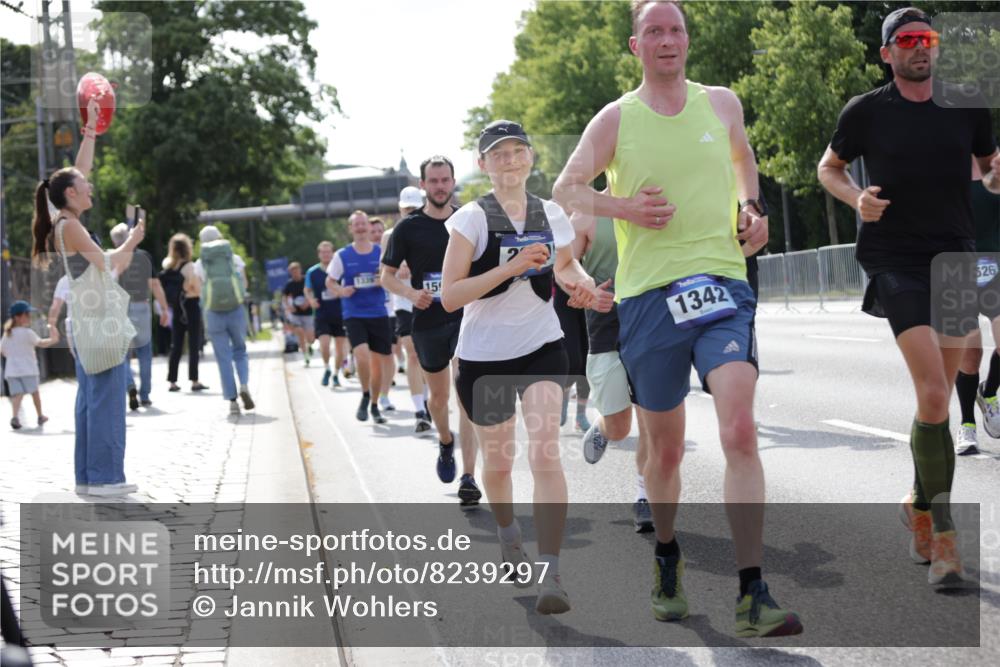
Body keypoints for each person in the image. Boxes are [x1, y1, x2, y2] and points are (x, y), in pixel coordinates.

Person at [553, 0, 799, 636]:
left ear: (687, 40)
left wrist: (752, 207)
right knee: (663, 452)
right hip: (647, 299)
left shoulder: (721, 103)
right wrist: (626, 207)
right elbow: (567, 188)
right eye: (654, 31)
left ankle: (753, 590)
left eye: (677, 30)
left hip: (721, 282)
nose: (668, 40)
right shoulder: (616, 119)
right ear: (636, 47)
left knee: (739, 428)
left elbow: (744, 159)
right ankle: (667, 556)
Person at [817, 6, 999, 587]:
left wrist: (995, 176)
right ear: (887, 53)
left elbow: (989, 165)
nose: (921, 47)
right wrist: (856, 201)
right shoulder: (866, 112)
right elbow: (829, 168)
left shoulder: (967, 104)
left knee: (939, 399)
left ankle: (917, 499)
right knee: (929, 389)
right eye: (908, 40)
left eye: (928, 38)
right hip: (894, 258)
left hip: (953, 254)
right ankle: (944, 538)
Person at [442, 120, 611, 614]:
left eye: (518, 151)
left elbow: (565, 265)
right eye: (499, 154)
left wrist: (581, 285)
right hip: (485, 357)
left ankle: (552, 572)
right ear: (484, 165)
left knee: (545, 454)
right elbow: (451, 297)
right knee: (498, 463)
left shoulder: (550, 212)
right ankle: (509, 534)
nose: (510, 160)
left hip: (542, 345)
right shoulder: (471, 220)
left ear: (531, 158)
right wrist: (510, 268)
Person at [31, 97, 146, 496]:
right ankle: (105, 478)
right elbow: (108, 261)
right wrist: (134, 238)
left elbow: (77, 169)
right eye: (85, 186)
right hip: (97, 320)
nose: (90, 184)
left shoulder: (63, 217)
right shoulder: (72, 227)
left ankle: (88, 476)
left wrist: (90, 129)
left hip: (86, 319)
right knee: (107, 399)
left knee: (91, 399)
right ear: (70, 195)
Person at [382, 160, 482, 504]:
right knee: (438, 399)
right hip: (428, 321)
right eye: (434, 181)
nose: (440, 186)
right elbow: (387, 276)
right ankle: (444, 440)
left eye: (445, 180)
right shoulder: (408, 228)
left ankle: (469, 476)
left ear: (453, 181)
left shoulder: (469, 219)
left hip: (467, 318)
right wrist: (411, 294)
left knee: (467, 395)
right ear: (423, 185)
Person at [571, 210, 653, 533]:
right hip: (606, 322)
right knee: (621, 427)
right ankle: (604, 428)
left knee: (651, 417)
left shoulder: (655, 204)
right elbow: (566, 264)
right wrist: (585, 288)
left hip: (651, 316)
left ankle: (644, 495)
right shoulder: (587, 215)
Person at [326, 210, 392, 424]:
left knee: (378, 363)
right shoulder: (342, 255)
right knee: (362, 356)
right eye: (357, 225)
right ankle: (365, 394)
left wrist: (384, 280)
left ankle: (373, 404)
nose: (361, 227)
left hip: (378, 313)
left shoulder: (381, 252)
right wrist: (340, 291)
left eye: (364, 224)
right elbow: (330, 282)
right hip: (354, 313)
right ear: (351, 229)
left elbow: (390, 275)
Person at [954, 158, 1000, 455]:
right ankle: (967, 425)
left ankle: (989, 393)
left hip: (994, 266)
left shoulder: (993, 159)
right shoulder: (939, 159)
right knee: (970, 353)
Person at [195, 225, 255, 416]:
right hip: (235, 309)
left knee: (223, 357)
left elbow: (199, 290)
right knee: (240, 350)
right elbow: (244, 284)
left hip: (213, 313)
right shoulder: (234, 258)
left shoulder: (200, 263)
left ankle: (232, 401)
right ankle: (244, 384)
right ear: (221, 238)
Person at [109, 222, 169, 410]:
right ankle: (145, 395)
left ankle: (129, 386)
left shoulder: (112, 258)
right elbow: (155, 285)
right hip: (141, 307)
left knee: (122, 353)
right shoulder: (143, 256)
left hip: (119, 308)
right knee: (144, 353)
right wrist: (165, 309)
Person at [160, 233, 208, 393]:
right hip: (191, 307)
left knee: (176, 346)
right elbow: (197, 290)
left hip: (176, 308)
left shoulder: (167, 266)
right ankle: (194, 380)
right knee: (194, 344)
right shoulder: (190, 267)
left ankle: (172, 381)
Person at [1, 300, 59, 429]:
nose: (29, 317)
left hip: (12, 371)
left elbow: (2, 350)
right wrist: (53, 340)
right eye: (27, 314)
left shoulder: (7, 334)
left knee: (17, 395)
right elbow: (41, 343)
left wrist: (11, 357)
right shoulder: (27, 333)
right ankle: (40, 416)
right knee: (35, 393)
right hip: (29, 369)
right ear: (18, 317)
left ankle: (15, 416)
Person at [304, 241, 349, 389]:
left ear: (333, 253)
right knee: (324, 344)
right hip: (322, 312)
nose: (326, 255)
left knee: (340, 347)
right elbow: (307, 289)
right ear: (319, 254)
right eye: (323, 252)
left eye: (328, 252)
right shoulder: (313, 272)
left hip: (340, 311)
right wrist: (311, 300)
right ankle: (327, 369)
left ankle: (336, 374)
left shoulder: (340, 269)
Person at [369, 217, 397, 413]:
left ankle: (385, 395)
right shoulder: (365, 255)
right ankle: (374, 396)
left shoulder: (394, 249)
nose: (378, 234)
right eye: (373, 231)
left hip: (392, 310)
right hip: (371, 314)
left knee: (390, 355)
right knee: (375, 360)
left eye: (380, 230)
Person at [283, 262, 314, 366]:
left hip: (308, 312)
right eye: (292, 271)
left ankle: (310, 346)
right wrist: (288, 307)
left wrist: (308, 302)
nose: (295, 273)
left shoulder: (306, 280)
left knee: (310, 338)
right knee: (300, 333)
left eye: (296, 270)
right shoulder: (289, 284)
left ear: (300, 270)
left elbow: (312, 292)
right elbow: (284, 297)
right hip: (296, 314)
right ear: (290, 272)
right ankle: (305, 356)